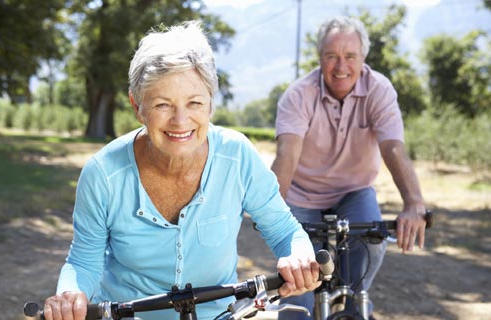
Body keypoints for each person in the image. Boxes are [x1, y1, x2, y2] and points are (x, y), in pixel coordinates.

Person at [42, 21, 321, 320]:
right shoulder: (103, 174)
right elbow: (84, 262)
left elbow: (285, 230)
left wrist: (298, 254)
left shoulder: (237, 156)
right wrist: (69, 294)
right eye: (163, 104)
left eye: (195, 102)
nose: (180, 120)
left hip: (219, 314)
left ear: (211, 104)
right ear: (138, 107)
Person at [271, 16, 427, 320]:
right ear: (320, 59)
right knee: (297, 288)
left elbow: (393, 147)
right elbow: (286, 155)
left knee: (371, 246)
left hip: (354, 192)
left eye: (350, 57)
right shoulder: (298, 95)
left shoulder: (379, 90)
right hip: (302, 195)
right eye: (331, 56)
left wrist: (414, 203)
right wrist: (272, 213)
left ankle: (354, 308)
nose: (340, 66)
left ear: (363, 58)